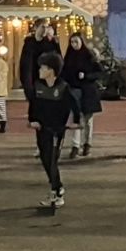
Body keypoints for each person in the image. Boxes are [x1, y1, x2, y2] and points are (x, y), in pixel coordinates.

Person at [26, 52, 75, 208]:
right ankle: (56, 187)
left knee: (52, 160)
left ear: (52, 70)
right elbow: (33, 106)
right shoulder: (38, 86)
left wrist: (71, 123)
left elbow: (71, 107)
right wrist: (33, 120)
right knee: (45, 158)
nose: (40, 70)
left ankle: (57, 191)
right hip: (42, 129)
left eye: (43, 67)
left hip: (56, 130)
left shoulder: (63, 87)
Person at [61, 33, 102, 159]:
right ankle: (75, 145)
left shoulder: (89, 56)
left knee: (88, 119)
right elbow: (64, 73)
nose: (74, 45)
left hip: (88, 91)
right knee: (76, 118)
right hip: (74, 90)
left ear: (81, 42)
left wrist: (86, 76)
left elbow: (99, 72)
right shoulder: (69, 56)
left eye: (76, 42)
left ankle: (87, 143)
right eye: (72, 42)